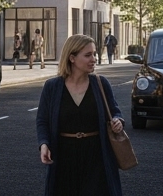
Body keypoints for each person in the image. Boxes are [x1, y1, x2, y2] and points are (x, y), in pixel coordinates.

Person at [36, 35, 125, 196]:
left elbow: (115, 111)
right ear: (72, 58)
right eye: (88, 55)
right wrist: (44, 144)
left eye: (95, 54)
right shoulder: (52, 87)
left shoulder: (101, 83)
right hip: (63, 156)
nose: (94, 59)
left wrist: (118, 121)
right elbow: (42, 120)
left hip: (96, 155)